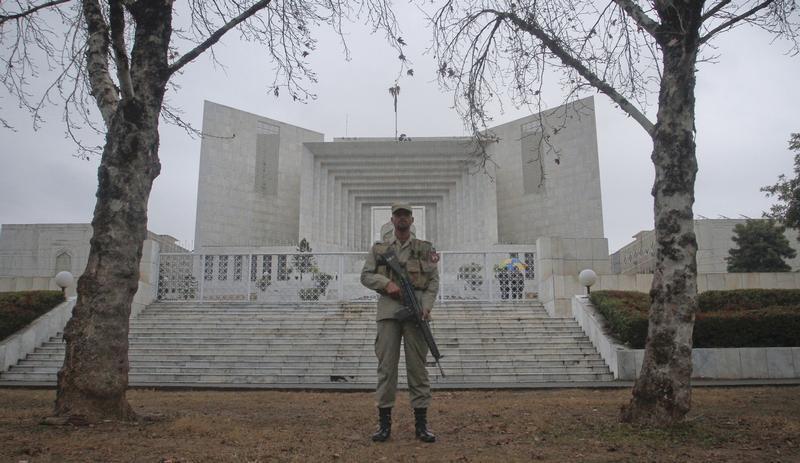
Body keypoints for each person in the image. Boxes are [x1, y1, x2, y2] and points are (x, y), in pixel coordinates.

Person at [360, 202, 440, 443]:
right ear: (392, 220)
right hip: (389, 313)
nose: (402, 218)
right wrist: (386, 284)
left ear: (412, 220)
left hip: (416, 315)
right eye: (398, 215)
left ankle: (421, 425)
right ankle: (384, 425)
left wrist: (426, 306)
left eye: (406, 215)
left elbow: (433, 281)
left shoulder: (424, 248)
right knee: (386, 368)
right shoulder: (380, 249)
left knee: (418, 369)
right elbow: (366, 275)